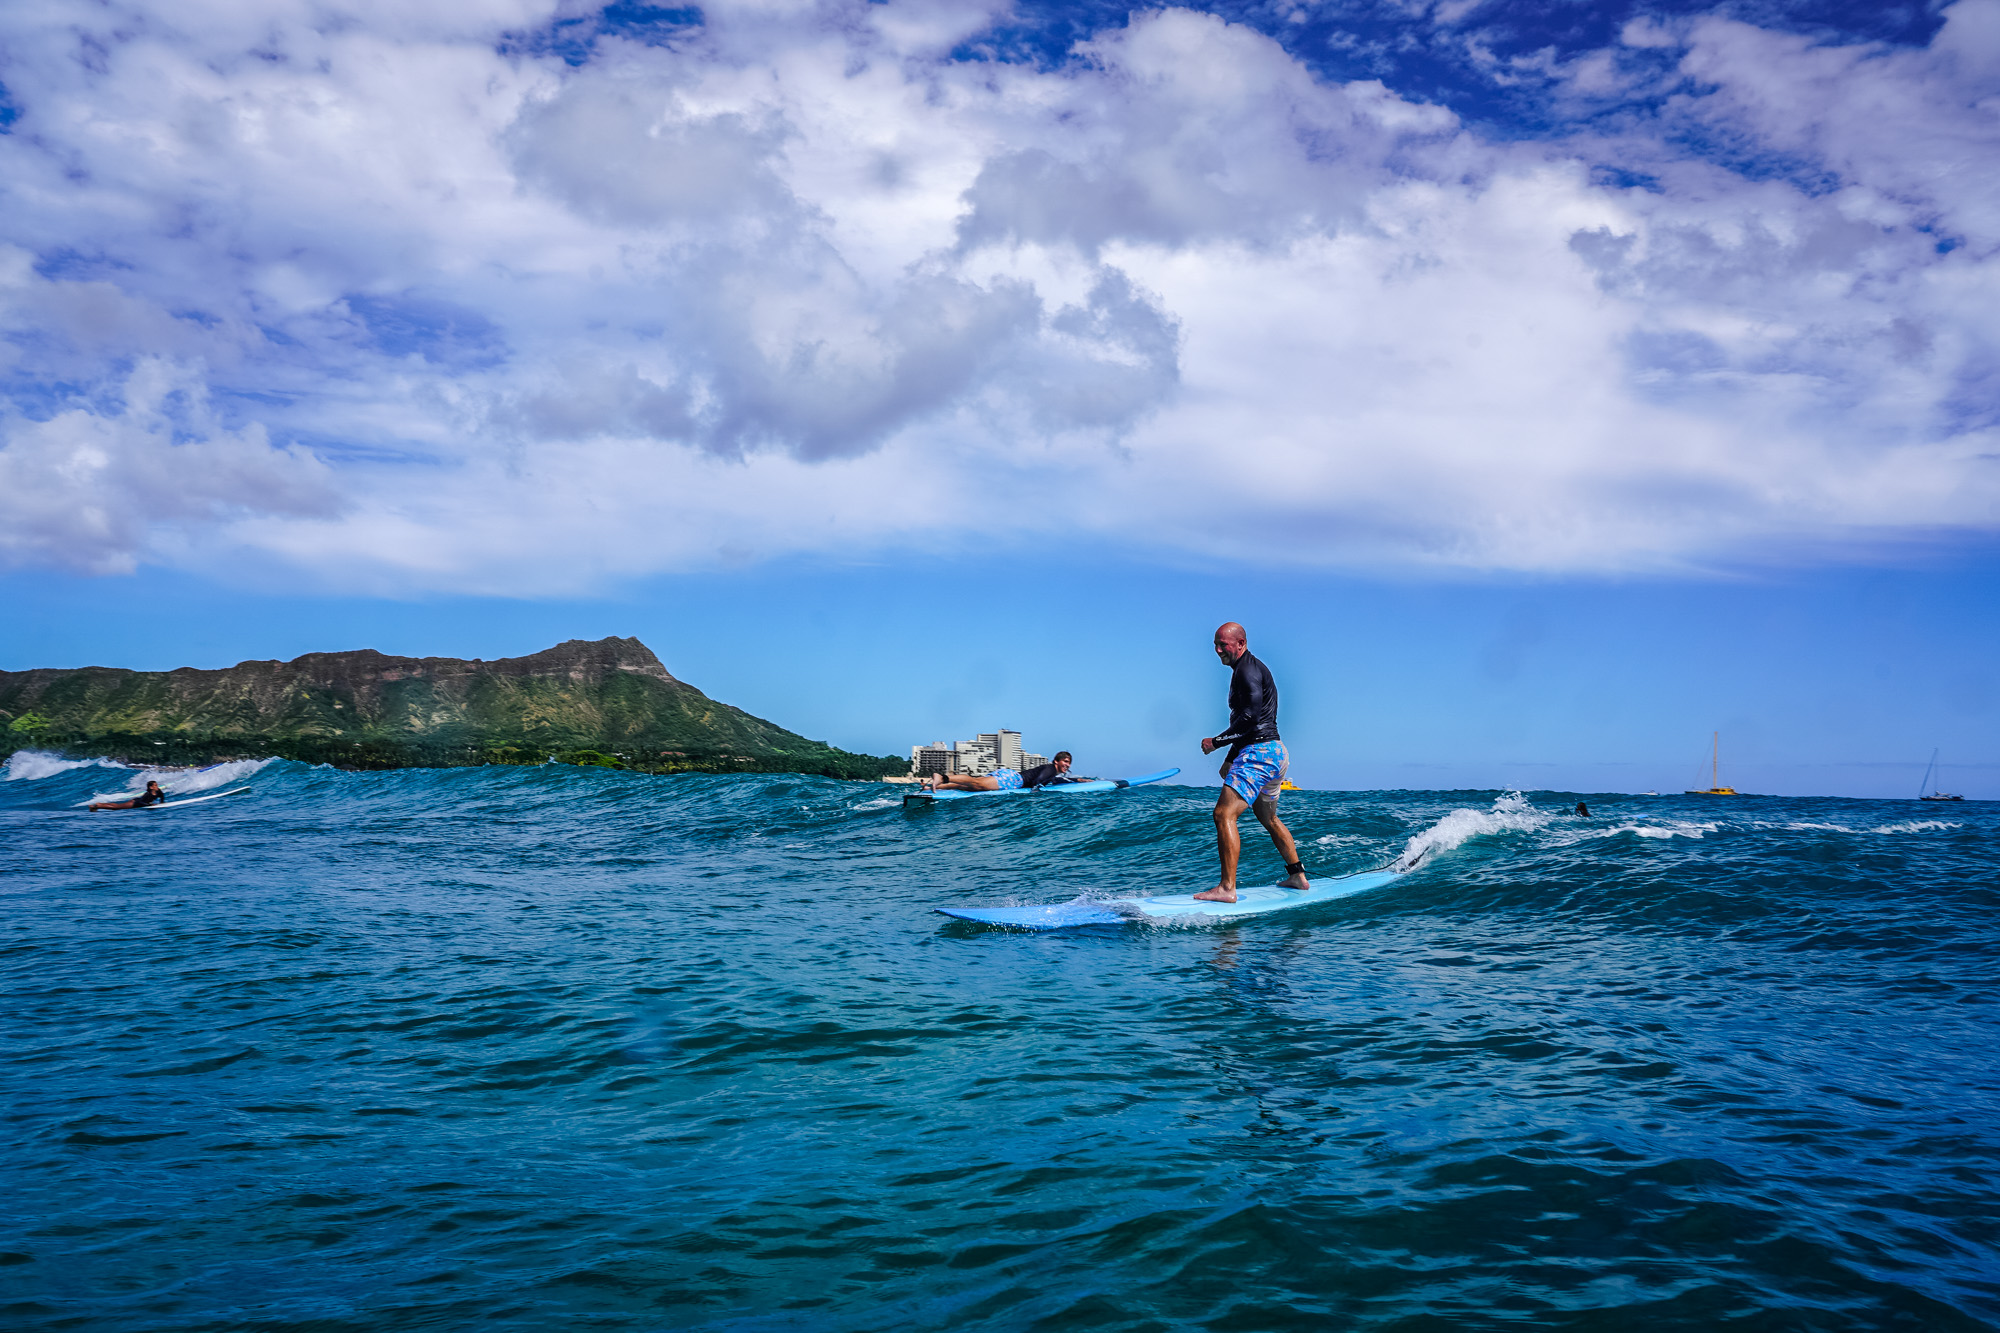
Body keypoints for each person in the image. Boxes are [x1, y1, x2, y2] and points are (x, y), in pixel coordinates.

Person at [1194, 623, 1309, 902]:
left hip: (1258, 753)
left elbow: (1250, 720)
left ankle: (1226, 888)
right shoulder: (1248, 669)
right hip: (1274, 752)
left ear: (1241, 643)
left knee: (1224, 814)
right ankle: (1297, 876)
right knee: (1268, 817)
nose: (1219, 650)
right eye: (1215, 645)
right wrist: (1231, 756)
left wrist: (1216, 742)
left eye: (1224, 644)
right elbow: (1247, 722)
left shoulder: (1247, 671)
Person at [927, 751, 1078, 793]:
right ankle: (941, 777)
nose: (1067, 765)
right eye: (1065, 761)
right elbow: (1039, 780)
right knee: (976, 782)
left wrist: (1080, 781)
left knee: (970, 786)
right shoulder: (1050, 769)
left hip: (1010, 777)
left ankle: (934, 787)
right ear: (1056, 761)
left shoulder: (1051, 771)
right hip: (1013, 780)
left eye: (1068, 763)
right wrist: (1036, 792)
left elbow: (1055, 780)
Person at [90, 780, 166, 812]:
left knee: (117, 806)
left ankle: (99, 805)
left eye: (157, 785)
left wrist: (162, 803)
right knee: (116, 808)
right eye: (155, 785)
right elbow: (142, 802)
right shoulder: (148, 794)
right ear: (151, 787)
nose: (157, 786)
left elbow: (162, 796)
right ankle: (97, 806)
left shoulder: (158, 791)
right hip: (135, 803)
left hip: (137, 801)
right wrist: (150, 804)